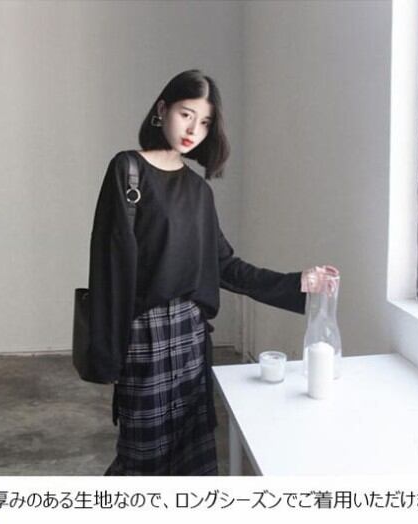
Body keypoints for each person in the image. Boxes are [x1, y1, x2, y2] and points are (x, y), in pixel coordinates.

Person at [88, 69, 339, 476]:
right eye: (186, 115)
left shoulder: (198, 190)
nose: (193, 130)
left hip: (191, 338)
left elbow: (225, 266)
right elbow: (109, 266)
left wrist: (299, 282)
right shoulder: (128, 170)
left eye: (204, 122)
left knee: (193, 458)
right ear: (162, 109)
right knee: (142, 459)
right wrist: (107, 355)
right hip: (144, 339)